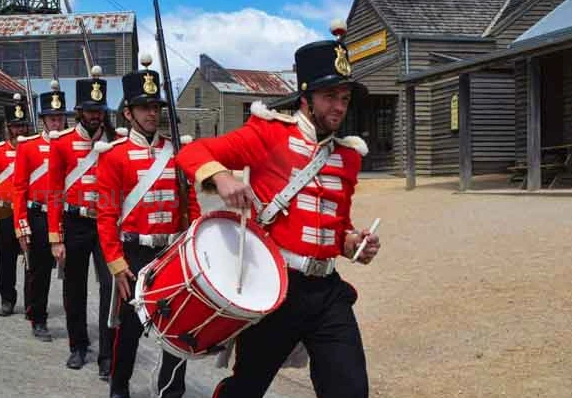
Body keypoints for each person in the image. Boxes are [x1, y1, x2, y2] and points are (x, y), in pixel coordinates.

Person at [174, 23, 382, 398]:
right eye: (330, 96)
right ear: (306, 97)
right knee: (246, 388)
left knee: (350, 389)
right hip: (277, 287)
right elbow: (191, 153)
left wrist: (353, 244)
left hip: (328, 293)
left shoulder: (348, 156)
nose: (339, 107)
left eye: (345, 98)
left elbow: (335, 229)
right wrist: (221, 178)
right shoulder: (268, 134)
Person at [96, 56, 201, 398]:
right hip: (133, 253)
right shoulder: (113, 156)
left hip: (171, 253)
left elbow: (192, 205)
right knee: (127, 328)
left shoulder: (177, 153)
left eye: (155, 106)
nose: (151, 113)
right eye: (143, 107)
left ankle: (172, 391)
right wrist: (116, 262)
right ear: (128, 113)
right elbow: (106, 215)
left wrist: (194, 243)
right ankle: (119, 385)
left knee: (177, 324)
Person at [46, 66, 117, 375]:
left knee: (110, 287)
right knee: (74, 288)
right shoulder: (61, 144)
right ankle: (78, 345)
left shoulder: (116, 142)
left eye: (99, 111)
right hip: (74, 224)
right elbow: (53, 192)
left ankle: (107, 353)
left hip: (105, 223)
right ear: (78, 111)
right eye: (89, 111)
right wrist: (55, 237)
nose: (94, 116)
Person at [10, 93, 56, 342]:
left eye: (60, 117)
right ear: (43, 120)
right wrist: (21, 224)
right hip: (38, 215)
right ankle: (38, 318)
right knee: (39, 271)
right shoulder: (28, 146)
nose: (57, 123)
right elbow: (19, 188)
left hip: (66, 215)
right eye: (52, 118)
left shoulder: (72, 145)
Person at [0, 95, 30, 317]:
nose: (19, 131)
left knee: (32, 260)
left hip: (29, 210)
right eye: (15, 127)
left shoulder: (35, 149)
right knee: (6, 259)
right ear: (8, 128)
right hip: (4, 212)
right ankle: (7, 299)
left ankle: (33, 302)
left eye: (22, 126)